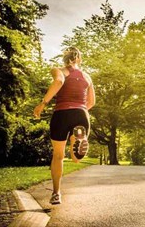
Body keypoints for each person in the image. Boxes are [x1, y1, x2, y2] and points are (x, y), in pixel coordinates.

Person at [33, 47, 96, 205]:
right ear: (79, 59)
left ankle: (56, 194)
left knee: (58, 156)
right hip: (82, 114)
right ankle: (79, 139)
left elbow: (59, 81)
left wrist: (43, 103)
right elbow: (92, 102)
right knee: (76, 159)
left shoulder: (58, 70)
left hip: (61, 114)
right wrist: (79, 110)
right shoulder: (87, 77)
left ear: (64, 58)